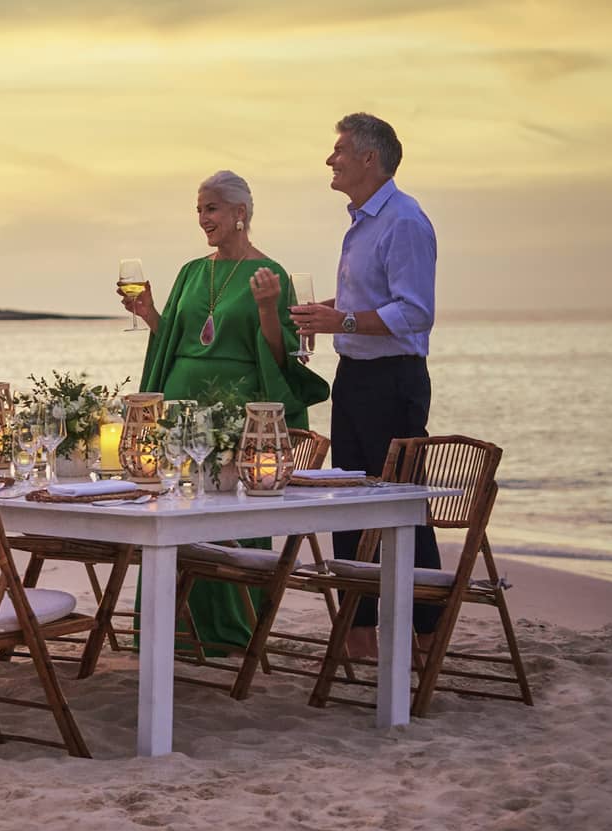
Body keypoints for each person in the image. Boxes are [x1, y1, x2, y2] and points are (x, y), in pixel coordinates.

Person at [120, 169, 329, 653]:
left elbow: (282, 358)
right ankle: (170, 628)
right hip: (180, 415)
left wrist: (266, 310)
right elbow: (171, 340)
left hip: (236, 414)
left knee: (226, 512)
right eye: (198, 209)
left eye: (211, 208)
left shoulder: (270, 275)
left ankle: (230, 630)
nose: (203, 219)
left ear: (240, 214)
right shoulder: (193, 271)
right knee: (172, 510)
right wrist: (149, 314)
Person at [289, 112, 440, 660]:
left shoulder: (404, 220)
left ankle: (426, 640)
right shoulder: (361, 223)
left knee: (401, 508)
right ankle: (358, 637)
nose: (331, 159)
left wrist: (342, 322)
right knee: (347, 502)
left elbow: (415, 313)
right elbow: (361, 305)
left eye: (340, 150)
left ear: (369, 158)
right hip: (352, 378)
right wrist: (319, 313)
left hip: (392, 380)